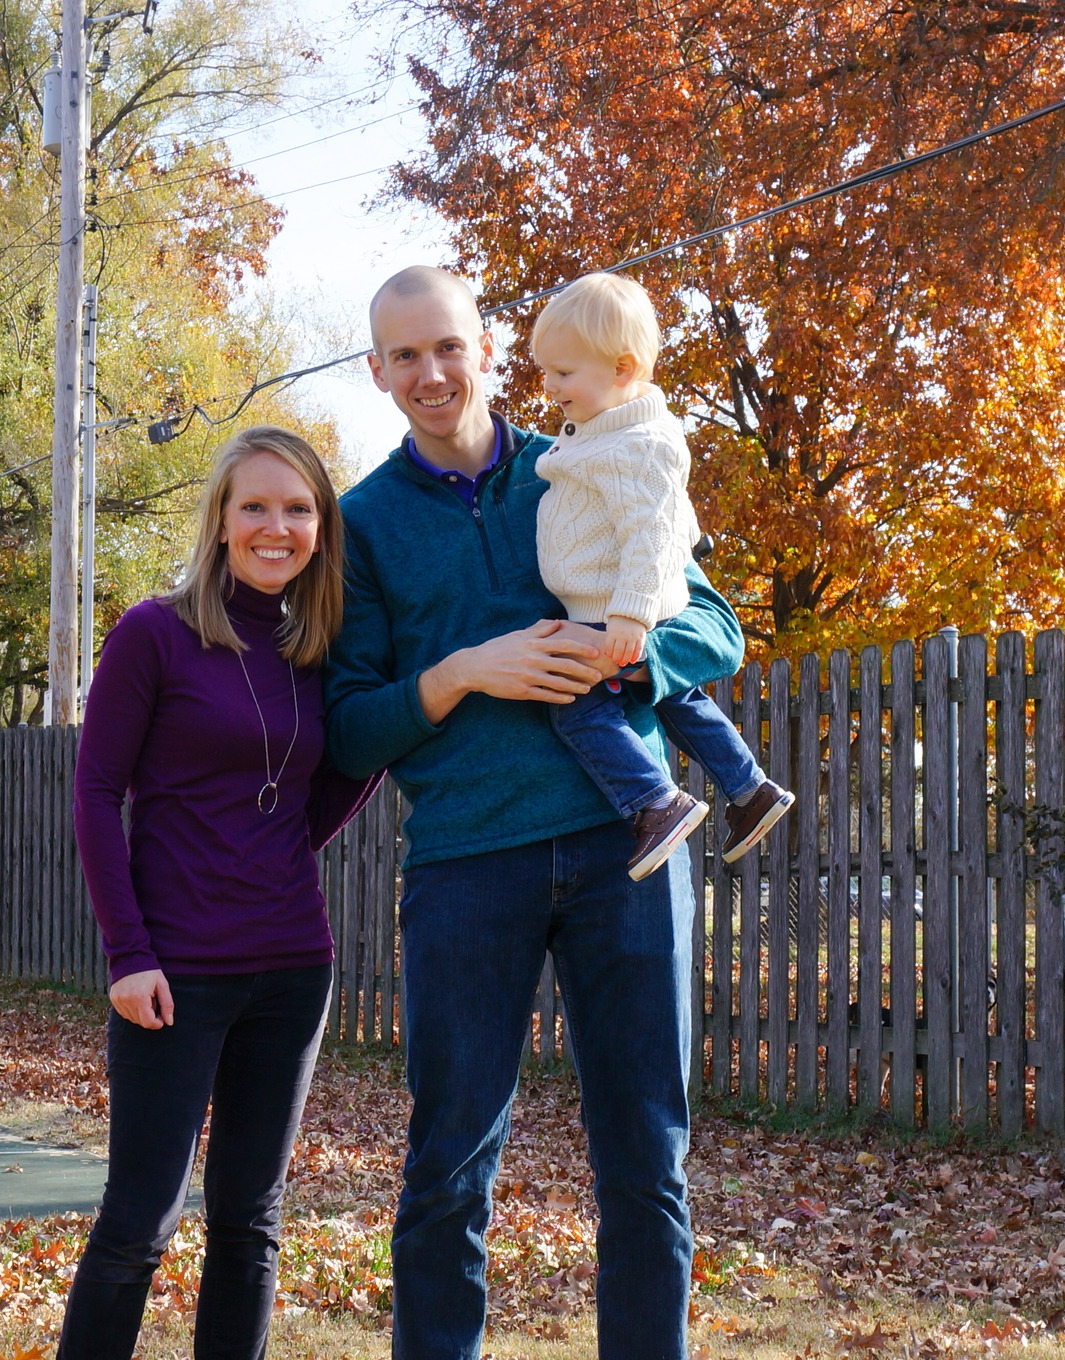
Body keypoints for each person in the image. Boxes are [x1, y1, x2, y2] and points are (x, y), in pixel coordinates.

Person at [324, 265, 751, 1360]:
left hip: (629, 854)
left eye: (447, 347)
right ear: (377, 371)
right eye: (405, 354)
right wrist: (466, 669)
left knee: (645, 1160)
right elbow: (350, 725)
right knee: (447, 1162)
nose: (430, 372)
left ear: (484, 351)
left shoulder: (593, 450)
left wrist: (632, 650)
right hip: (467, 866)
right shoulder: (360, 525)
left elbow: (717, 627)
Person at [62, 426, 379, 1360]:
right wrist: (128, 952)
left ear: (320, 528)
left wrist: (264, 857)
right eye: (255, 506)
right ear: (221, 518)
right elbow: (94, 792)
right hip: (174, 976)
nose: (275, 527)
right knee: (140, 1221)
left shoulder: (317, 650)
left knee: (251, 1222)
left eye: (297, 509)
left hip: (292, 972)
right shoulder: (154, 633)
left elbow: (339, 776)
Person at [530, 272, 793, 879]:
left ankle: (655, 801)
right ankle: (750, 791)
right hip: (607, 603)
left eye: (564, 374)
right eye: (548, 372)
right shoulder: (608, 435)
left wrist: (629, 614)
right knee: (677, 696)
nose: (550, 387)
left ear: (622, 369)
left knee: (575, 707)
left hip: (612, 608)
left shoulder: (637, 446)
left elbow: (652, 534)